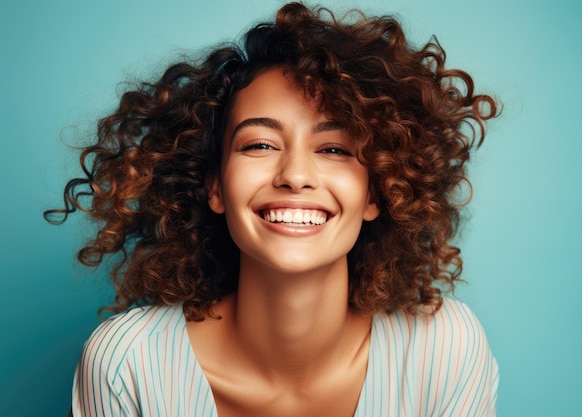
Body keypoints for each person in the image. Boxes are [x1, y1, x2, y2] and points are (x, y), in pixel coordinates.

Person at [46, 2, 499, 416]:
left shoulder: (444, 351)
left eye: (336, 148)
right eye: (260, 143)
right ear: (215, 185)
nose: (295, 174)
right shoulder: (128, 366)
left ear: (378, 193)